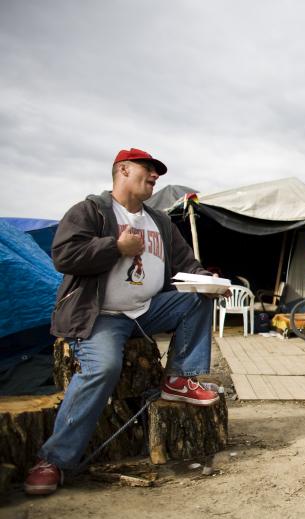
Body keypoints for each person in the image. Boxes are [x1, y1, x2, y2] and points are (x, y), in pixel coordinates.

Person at [24, 148, 221, 495]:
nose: (155, 176)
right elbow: (64, 256)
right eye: (148, 169)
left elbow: (184, 262)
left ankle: (178, 379)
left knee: (196, 299)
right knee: (103, 369)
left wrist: (207, 280)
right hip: (101, 315)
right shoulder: (90, 211)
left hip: (146, 309)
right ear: (124, 170)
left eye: (157, 172)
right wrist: (115, 247)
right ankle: (53, 458)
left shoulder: (159, 220)